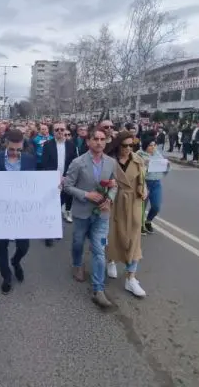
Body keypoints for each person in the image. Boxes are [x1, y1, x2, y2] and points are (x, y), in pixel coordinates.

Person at [63, 128, 117, 308]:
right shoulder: (78, 163)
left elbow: (114, 185)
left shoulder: (111, 162)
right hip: (82, 212)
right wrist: (86, 195)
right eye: (96, 139)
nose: (100, 142)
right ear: (88, 142)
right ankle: (77, 264)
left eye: (103, 139)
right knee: (78, 242)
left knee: (99, 250)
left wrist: (109, 198)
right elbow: (67, 186)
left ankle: (98, 289)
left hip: (102, 213)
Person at [0, 129, 37, 294]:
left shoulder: (30, 160)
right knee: (2, 246)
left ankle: (15, 261)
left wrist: (53, 186)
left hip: (22, 211)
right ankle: (6, 276)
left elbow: (36, 184)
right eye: (11, 149)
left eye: (18, 149)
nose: (15, 153)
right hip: (2, 210)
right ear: (6, 145)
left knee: (24, 245)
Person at [107, 130, 147, 298]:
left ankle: (131, 278)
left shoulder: (138, 161)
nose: (128, 148)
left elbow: (142, 182)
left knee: (134, 238)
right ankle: (111, 260)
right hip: (115, 201)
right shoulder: (109, 161)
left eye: (132, 145)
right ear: (118, 145)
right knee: (114, 235)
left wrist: (144, 190)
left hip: (134, 203)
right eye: (125, 145)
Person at [41, 121, 77, 241]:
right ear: (53, 132)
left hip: (66, 180)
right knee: (52, 207)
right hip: (52, 181)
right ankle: (49, 234)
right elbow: (44, 164)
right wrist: (55, 177)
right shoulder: (47, 145)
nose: (60, 132)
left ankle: (55, 229)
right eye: (57, 130)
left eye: (62, 129)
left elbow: (74, 163)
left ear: (66, 130)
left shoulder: (71, 145)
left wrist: (67, 176)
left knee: (60, 205)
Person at [137, 138, 169, 234]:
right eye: (151, 145)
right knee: (141, 207)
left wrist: (167, 165)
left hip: (156, 183)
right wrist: (144, 164)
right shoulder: (139, 154)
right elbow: (135, 170)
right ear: (145, 146)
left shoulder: (157, 154)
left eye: (154, 145)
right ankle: (140, 226)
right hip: (144, 182)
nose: (153, 147)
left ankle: (148, 221)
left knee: (156, 206)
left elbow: (163, 167)